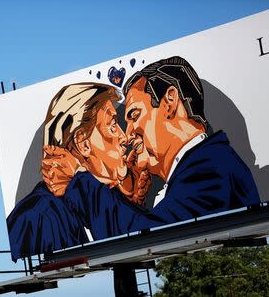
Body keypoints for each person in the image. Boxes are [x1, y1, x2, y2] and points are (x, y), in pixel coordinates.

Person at [43, 56, 260, 234]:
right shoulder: (201, 166)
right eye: (116, 124)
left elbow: (151, 234)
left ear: (170, 101)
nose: (128, 134)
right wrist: (132, 202)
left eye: (134, 115)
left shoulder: (211, 168)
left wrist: (80, 181)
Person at [7, 82, 149, 261]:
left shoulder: (109, 199)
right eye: (113, 126)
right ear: (83, 143)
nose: (124, 137)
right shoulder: (36, 218)